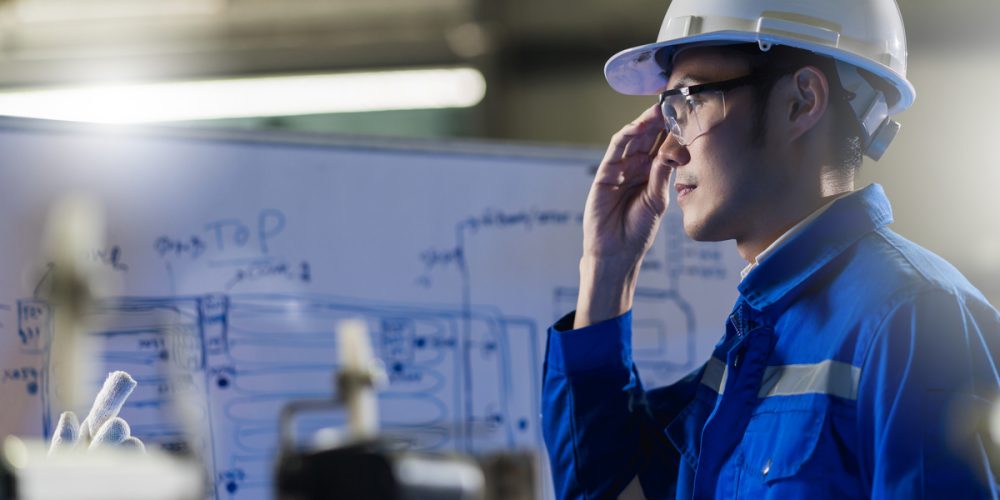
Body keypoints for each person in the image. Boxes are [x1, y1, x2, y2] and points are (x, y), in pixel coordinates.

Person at [540, 0, 1000, 498]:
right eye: (670, 115)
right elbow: (610, 491)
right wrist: (608, 266)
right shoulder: (755, 334)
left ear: (800, 101)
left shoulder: (916, 319)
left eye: (691, 102)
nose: (669, 151)